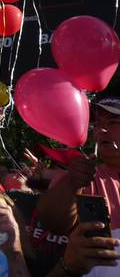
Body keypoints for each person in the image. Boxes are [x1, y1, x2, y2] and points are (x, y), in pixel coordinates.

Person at [37, 97, 120, 235]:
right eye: (96, 124)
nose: (101, 130)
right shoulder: (81, 177)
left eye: (112, 122)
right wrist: (71, 184)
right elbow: (52, 223)